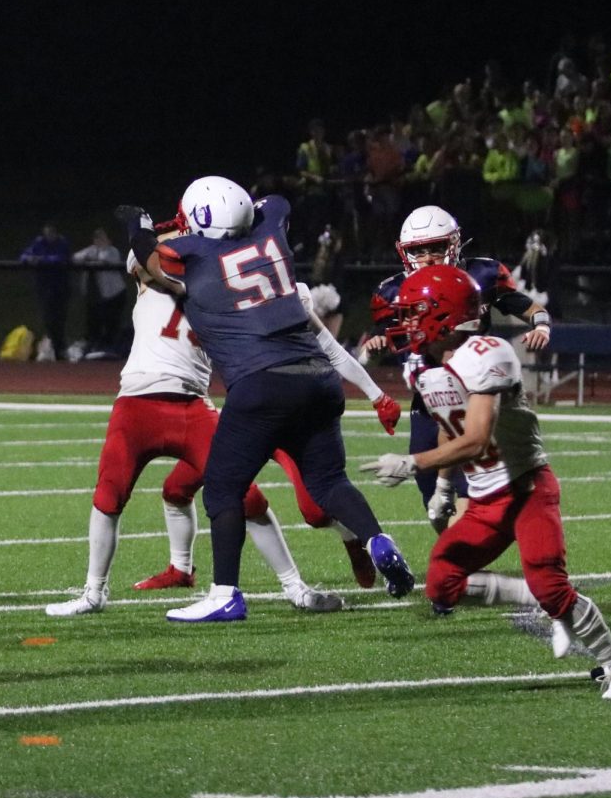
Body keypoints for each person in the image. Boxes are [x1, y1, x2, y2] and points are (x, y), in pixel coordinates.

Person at [121, 176, 413, 622]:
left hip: (261, 383)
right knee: (329, 482)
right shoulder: (272, 226)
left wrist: (137, 224)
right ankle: (376, 538)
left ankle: (225, 594)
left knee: (221, 488)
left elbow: (149, 256)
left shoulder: (197, 256)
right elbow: (274, 201)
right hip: (317, 378)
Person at [363, 264, 611, 700]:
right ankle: (533, 598)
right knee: (441, 583)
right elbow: (448, 424)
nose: (405, 323)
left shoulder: (487, 352)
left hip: (526, 487)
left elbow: (475, 439)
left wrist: (411, 463)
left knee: (553, 585)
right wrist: (442, 486)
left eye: (414, 312)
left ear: (443, 314)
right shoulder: (428, 367)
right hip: (484, 496)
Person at [45, 222, 350, 617]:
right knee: (108, 494)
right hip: (137, 401)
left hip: (191, 404)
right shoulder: (154, 277)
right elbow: (139, 258)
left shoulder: (213, 286)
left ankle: (297, 588)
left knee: (246, 497)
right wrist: (168, 233)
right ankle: (93, 592)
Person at [365, 205, 552, 534]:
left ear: (453, 244)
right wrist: (379, 346)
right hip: (430, 397)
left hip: (478, 391)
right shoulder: (393, 291)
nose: (426, 258)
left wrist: (542, 326)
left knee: (481, 483)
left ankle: (479, 557)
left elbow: (528, 307)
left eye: (435, 247)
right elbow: (395, 339)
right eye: (418, 250)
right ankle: (461, 560)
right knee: (434, 494)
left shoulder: (481, 274)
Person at [19, 223, 72, 361]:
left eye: (51, 233)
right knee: (48, 318)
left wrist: (41, 260)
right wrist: (29, 259)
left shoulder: (62, 243)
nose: (48, 236)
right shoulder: (39, 242)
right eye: (46, 233)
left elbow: (61, 258)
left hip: (60, 287)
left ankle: (61, 350)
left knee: (59, 319)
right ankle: (53, 348)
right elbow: (24, 256)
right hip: (44, 287)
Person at [71, 228, 126, 359]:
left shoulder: (112, 251)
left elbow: (104, 259)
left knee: (112, 322)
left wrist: (93, 255)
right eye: (96, 238)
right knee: (94, 322)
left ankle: (112, 350)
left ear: (108, 240)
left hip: (115, 294)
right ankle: (94, 348)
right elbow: (75, 257)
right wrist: (88, 256)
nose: (98, 241)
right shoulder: (91, 249)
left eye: (102, 238)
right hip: (96, 295)